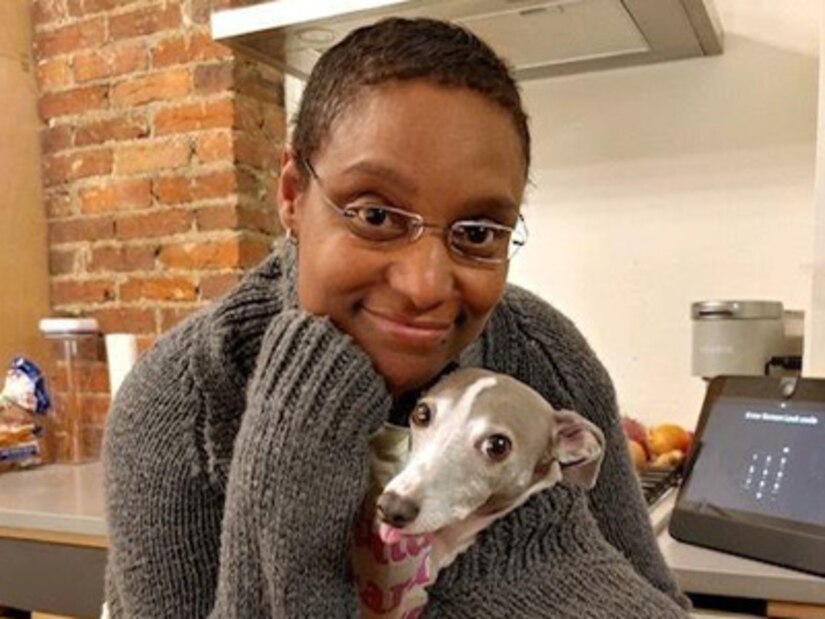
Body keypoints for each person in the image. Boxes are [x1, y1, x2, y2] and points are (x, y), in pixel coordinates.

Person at [103, 17, 690, 618]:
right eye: (375, 216)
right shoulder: (180, 407)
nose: (425, 285)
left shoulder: (546, 360)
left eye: (478, 231)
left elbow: (652, 600)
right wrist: (291, 456)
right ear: (291, 195)